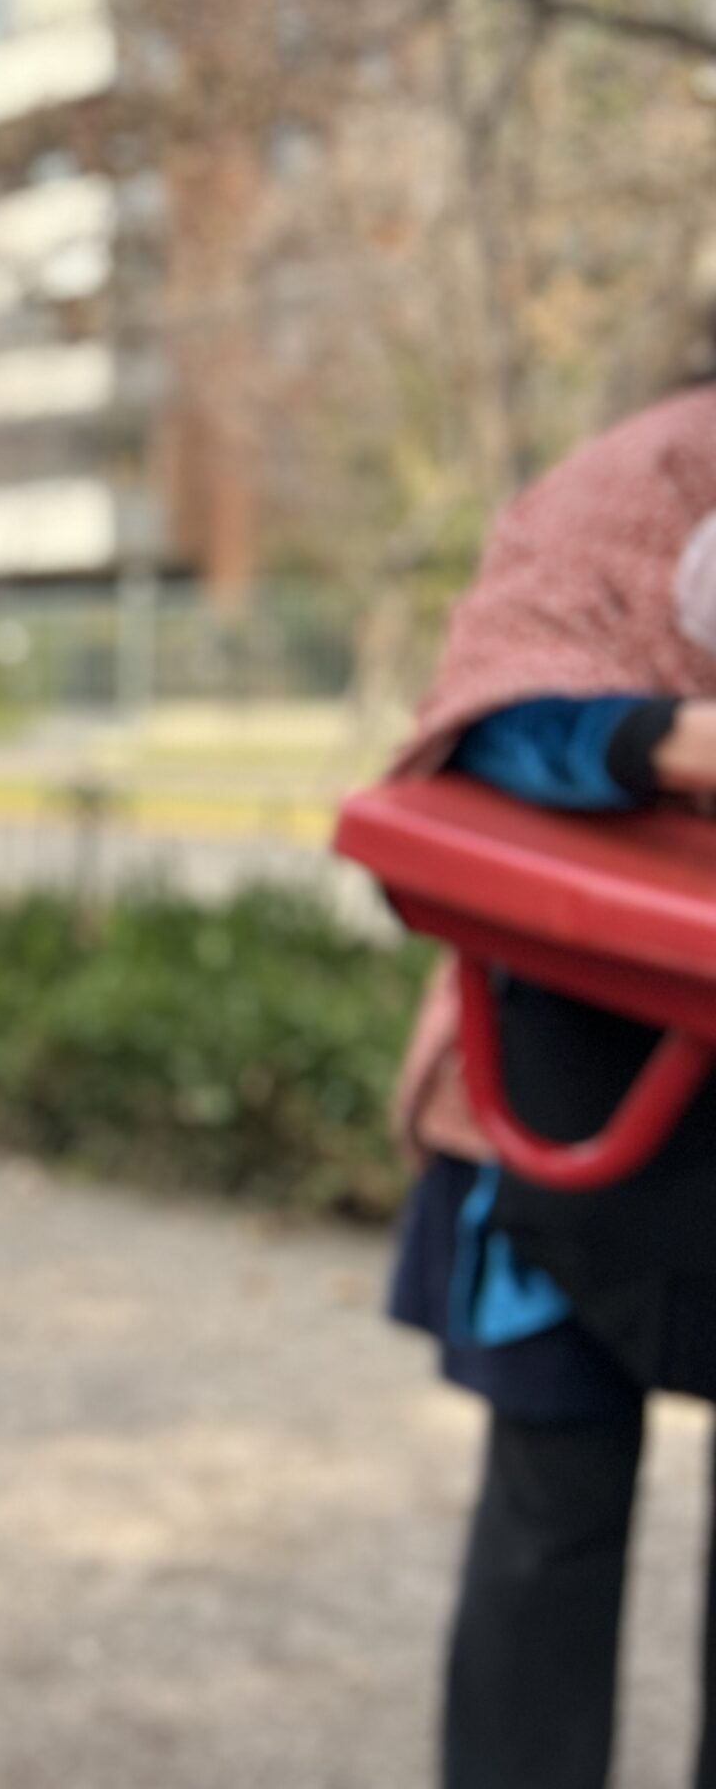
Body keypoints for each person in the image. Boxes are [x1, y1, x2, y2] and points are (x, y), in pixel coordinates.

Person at [386, 387, 716, 1788]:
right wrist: (674, 742)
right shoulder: (655, 475)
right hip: (562, 1084)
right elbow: (493, 720)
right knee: (552, 1506)